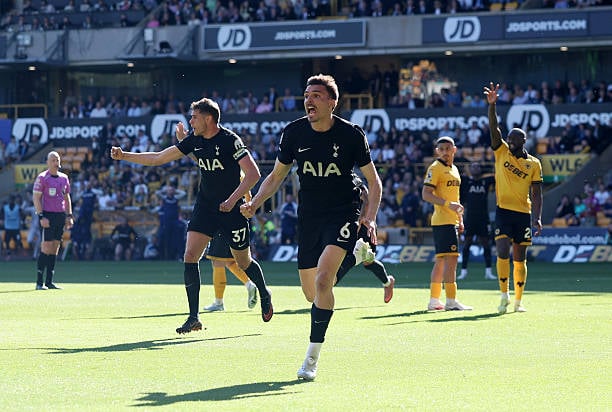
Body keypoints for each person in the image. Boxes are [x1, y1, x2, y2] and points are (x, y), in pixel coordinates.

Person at [240, 74, 382, 381]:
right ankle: (356, 257)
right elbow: (276, 177)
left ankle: (311, 359)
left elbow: (374, 181)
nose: (309, 100)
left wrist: (369, 217)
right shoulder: (294, 133)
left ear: (332, 102)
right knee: (311, 294)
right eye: (306, 95)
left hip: (343, 213)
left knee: (322, 281)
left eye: (316, 95)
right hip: (309, 217)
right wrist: (256, 203)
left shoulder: (351, 135)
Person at [111, 97, 273, 334]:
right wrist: (124, 155)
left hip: (232, 210)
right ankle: (193, 317)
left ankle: (264, 292)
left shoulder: (230, 140)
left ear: (209, 119)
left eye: (194, 117)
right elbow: (158, 158)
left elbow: (253, 174)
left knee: (243, 261)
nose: (191, 121)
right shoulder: (194, 140)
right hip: (205, 207)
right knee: (190, 256)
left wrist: (232, 200)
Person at [484, 82, 543, 314]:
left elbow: (536, 193)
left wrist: (537, 217)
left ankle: (518, 301)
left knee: (520, 258)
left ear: (523, 141)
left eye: (513, 139)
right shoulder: (501, 152)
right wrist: (492, 106)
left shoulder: (534, 164)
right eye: (508, 137)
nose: (509, 141)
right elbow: (494, 128)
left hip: (523, 213)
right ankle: (504, 296)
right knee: (501, 251)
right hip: (503, 211)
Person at [422, 136, 472, 311]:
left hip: (451, 220)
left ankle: (434, 301)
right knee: (451, 260)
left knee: (442, 261)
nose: (444, 152)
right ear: (437, 151)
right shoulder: (435, 168)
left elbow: (455, 198)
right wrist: (448, 205)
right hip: (443, 220)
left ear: (454, 150)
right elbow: (426, 194)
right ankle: (451, 301)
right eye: (441, 149)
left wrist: (460, 218)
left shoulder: (455, 169)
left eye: (447, 149)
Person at [334, 174, 395, 303]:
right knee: (363, 259)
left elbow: (366, 197)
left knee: (364, 261)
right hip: (347, 224)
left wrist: (361, 219)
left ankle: (327, 286)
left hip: (363, 225)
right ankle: (388, 282)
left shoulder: (352, 178)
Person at [32, 151, 74, 290]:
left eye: (57, 160)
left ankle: (49, 281)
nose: (56, 162)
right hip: (47, 215)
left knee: (55, 247)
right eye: (53, 160)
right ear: (48, 162)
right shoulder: (42, 178)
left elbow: (67, 198)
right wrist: (41, 216)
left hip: (60, 216)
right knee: (46, 247)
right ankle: (39, 282)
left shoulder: (64, 178)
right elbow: (36, 198)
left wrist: (69, 215)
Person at [201, 231, 259, 312]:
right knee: (230, 262)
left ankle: (218, 303)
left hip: (221, 229)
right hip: (234, 230)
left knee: (218, 261)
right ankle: (249, 285)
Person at [458, 162, 496, 280]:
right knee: (467, 244)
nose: (475, 168)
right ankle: (463, 271)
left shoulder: (486, 181)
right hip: (470, 218)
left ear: (481, 169)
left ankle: (488, 271)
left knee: (486, 244)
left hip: (483, 218)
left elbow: (498, 176)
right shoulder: (465, 181)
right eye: (473, 166)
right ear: (470, 169)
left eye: (478, 166)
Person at [1, 195, 23, 260]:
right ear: (8, 200)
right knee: (7, 241)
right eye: (10, 199)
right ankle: (8, 254)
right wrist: (2, 220)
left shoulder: (18, 207)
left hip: (16, 228)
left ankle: (16, 251)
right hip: (8, 228)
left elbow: (22, 215)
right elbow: (1, 215)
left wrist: (21, 221)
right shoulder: (5, 208)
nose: (11, 201)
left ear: (14, 200)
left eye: (12, 200)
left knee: (18, 240)